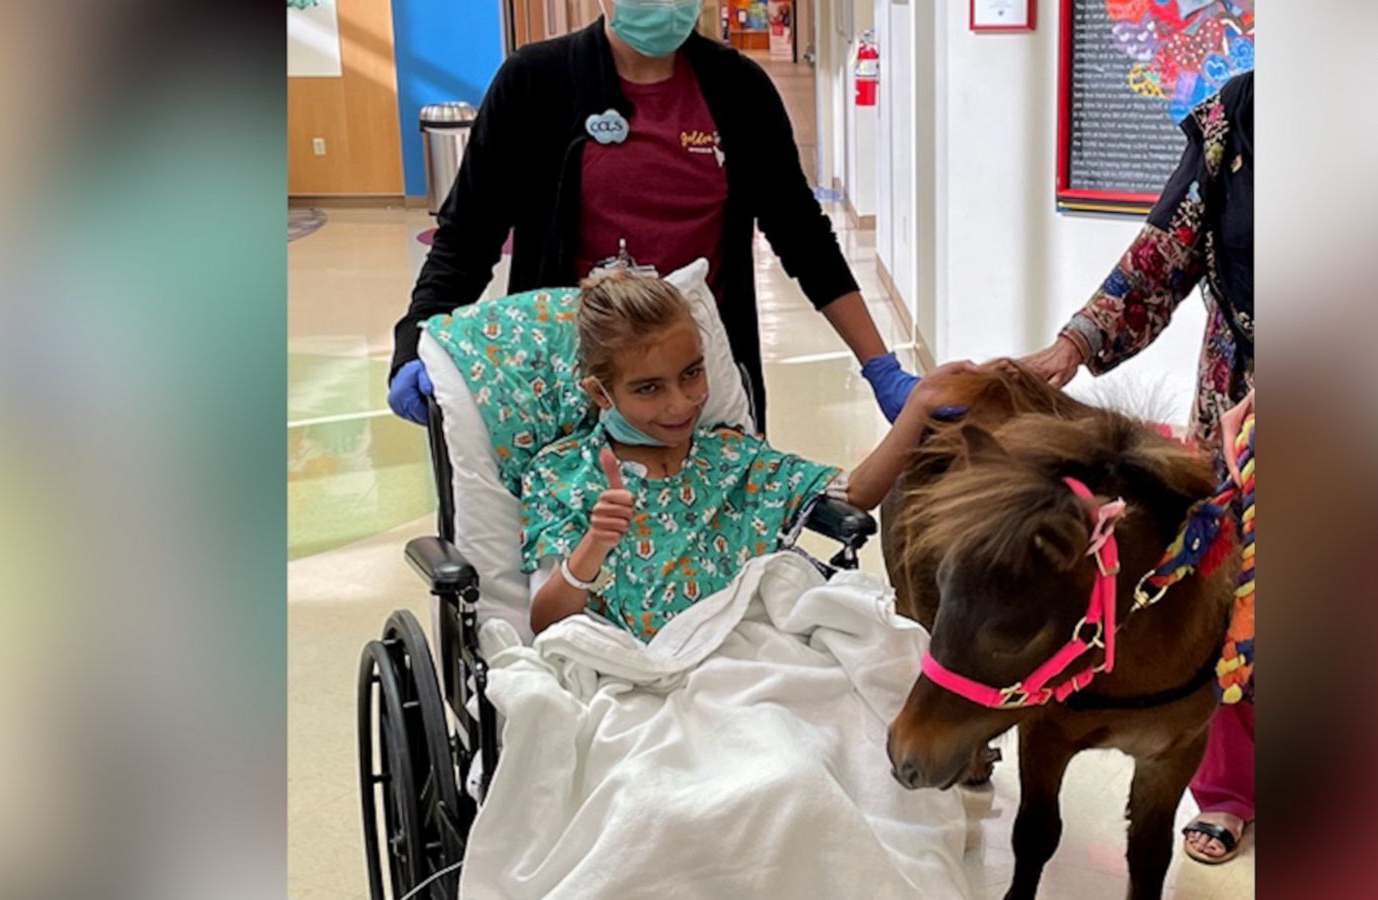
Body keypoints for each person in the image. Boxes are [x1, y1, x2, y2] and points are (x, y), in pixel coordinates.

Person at [386, 0, 920, 431]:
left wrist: (880, 367)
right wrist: (415, 341)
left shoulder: (738, 90)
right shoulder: (535, 83)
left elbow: (805, 238)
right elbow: (466, 239)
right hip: (572, 381)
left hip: (700, 386)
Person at [1022, 72, 1254, 865]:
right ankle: (1227, 790)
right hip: (1240, 405)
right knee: (1229, 591)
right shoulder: (1237, 116)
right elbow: (1162, 253)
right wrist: (1075, 343)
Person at [520, 270, 972, 640]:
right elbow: (546, 622)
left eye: (692, 374)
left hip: (745, 664)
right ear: (601, 392)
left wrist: (919, 405)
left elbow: (854, 492)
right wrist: (593, 546)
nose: (680, 403)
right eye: (648, 388)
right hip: (630, 684)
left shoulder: (734, 458)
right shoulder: (561, 475)